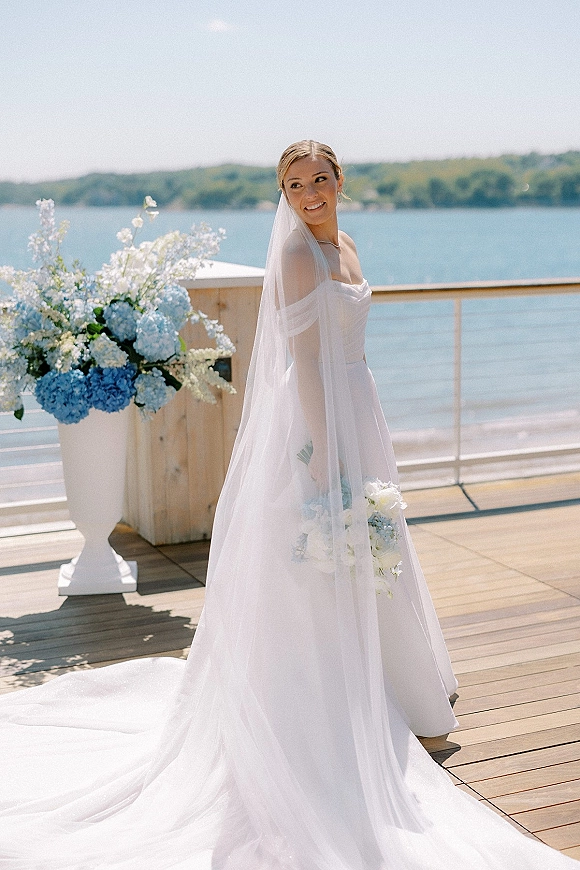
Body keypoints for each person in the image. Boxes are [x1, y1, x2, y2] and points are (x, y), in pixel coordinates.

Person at [0, 141, 577, 870]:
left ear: (341, 182)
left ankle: (394, 688)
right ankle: (320, 703)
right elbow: (305, 365)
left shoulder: (350, 243)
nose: (309, 193)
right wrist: (330, 456)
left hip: (356, 403)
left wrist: (357, 429)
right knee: (321, 546)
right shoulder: (298, 257)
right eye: (294, 184)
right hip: (317, 419)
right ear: (283, 191)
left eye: (320, 180)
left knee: (371, 545)